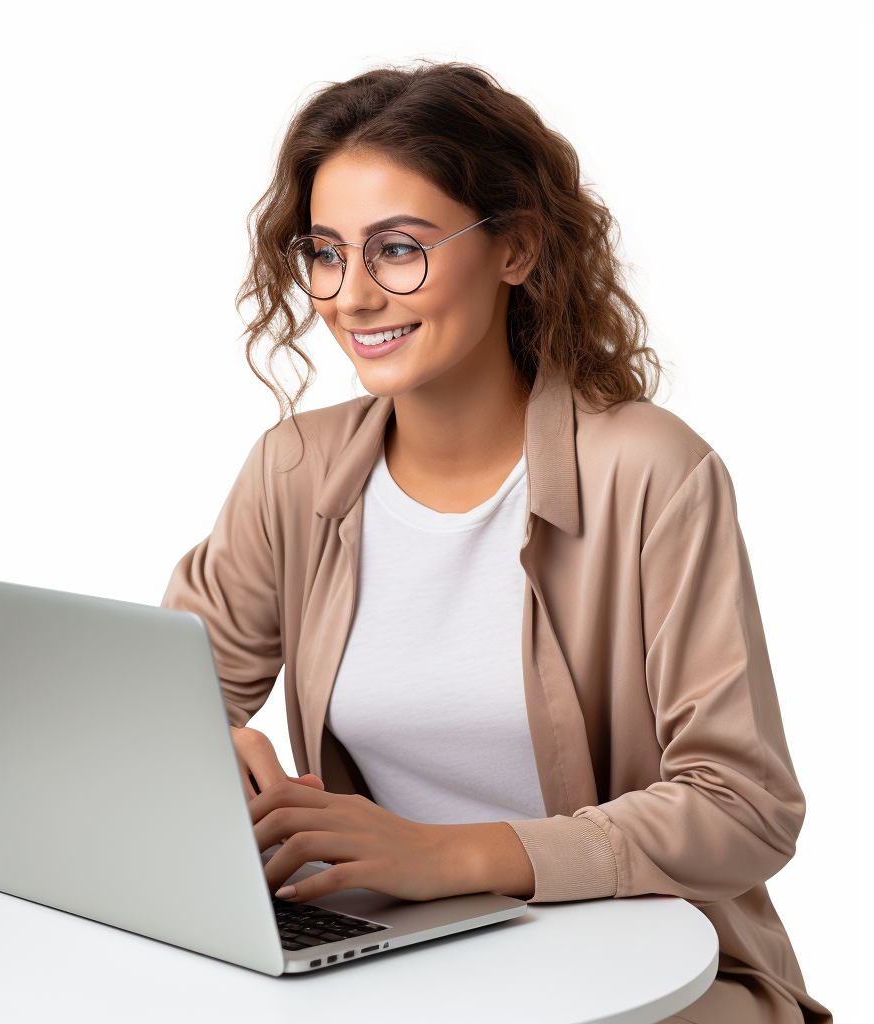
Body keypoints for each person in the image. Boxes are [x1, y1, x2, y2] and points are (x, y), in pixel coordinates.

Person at [162, 63, 829, 1023]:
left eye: (397, 249)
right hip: (393, 954)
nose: (351, 296)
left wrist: (454, 854)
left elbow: (744, 804)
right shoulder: (295, 469)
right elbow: (165, 698)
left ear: (515, 248)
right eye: (325, 252)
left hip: (649, 967)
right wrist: (213, 744)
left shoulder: (650, 472)